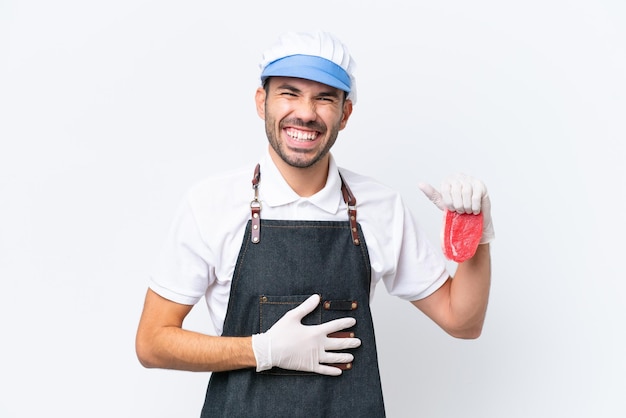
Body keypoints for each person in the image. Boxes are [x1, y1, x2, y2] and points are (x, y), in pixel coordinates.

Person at [135, 30, 494, 417]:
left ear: (345, 113)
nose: (306, 112)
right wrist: (262, 350)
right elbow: (152, 343)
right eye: (289, 93)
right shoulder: (211, 203)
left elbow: (463, 322)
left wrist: (477, 235)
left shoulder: (380, 206)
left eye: (324, 98)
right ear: (262, 102)